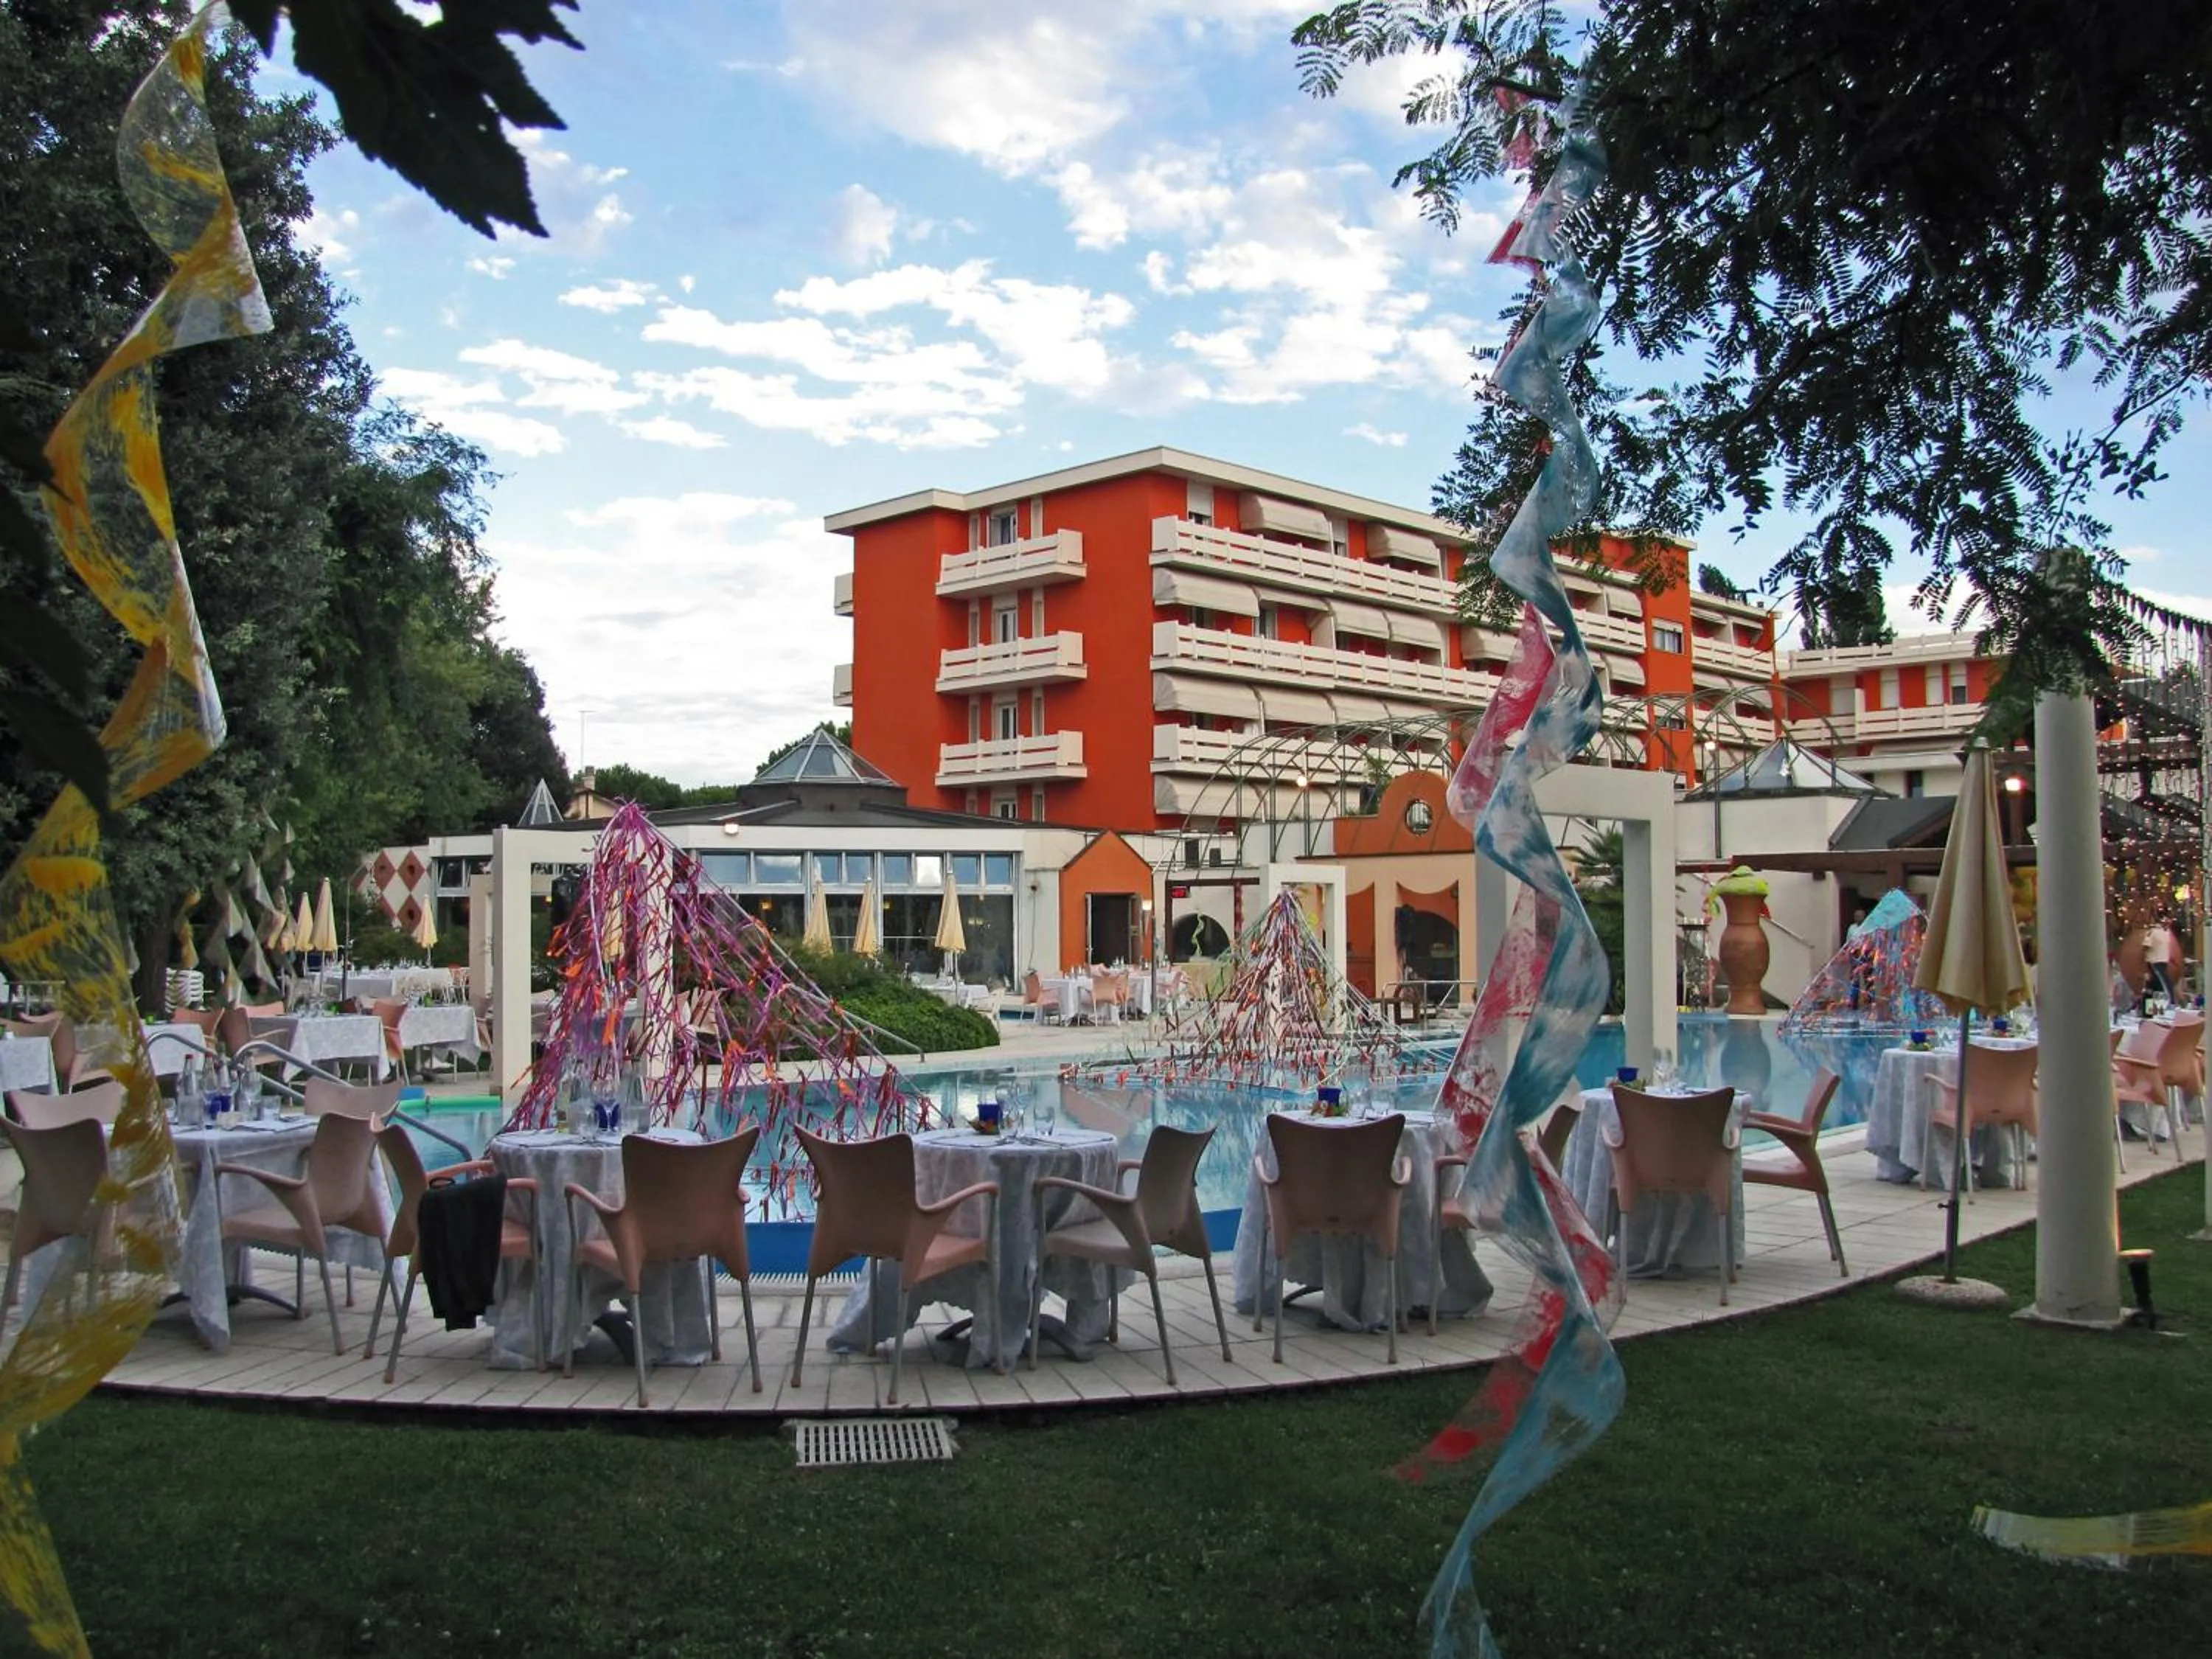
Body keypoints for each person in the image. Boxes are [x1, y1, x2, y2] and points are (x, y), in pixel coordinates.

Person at [2143, 916, 2179, 1002]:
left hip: (2154, 961)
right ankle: (2163, 1004)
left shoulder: (2152, 932)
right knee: (2163, 981)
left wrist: (2143, 956)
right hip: (2163, 960)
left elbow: (2146, 946)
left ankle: (2157, 1005)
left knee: (2156, 984)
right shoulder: (2166, 934)